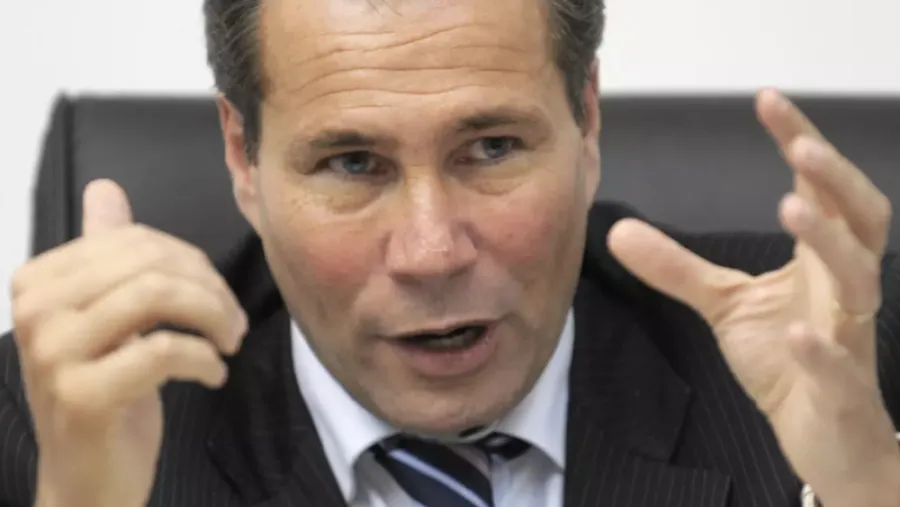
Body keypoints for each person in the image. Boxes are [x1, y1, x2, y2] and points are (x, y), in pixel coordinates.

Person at [1, 0, 899, 506]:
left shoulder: (846, 349)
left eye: (492, 148)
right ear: (243, 157)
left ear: (586, 123)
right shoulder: (46, 425)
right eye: (352, 163)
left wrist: (866, 486)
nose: (432, 252)